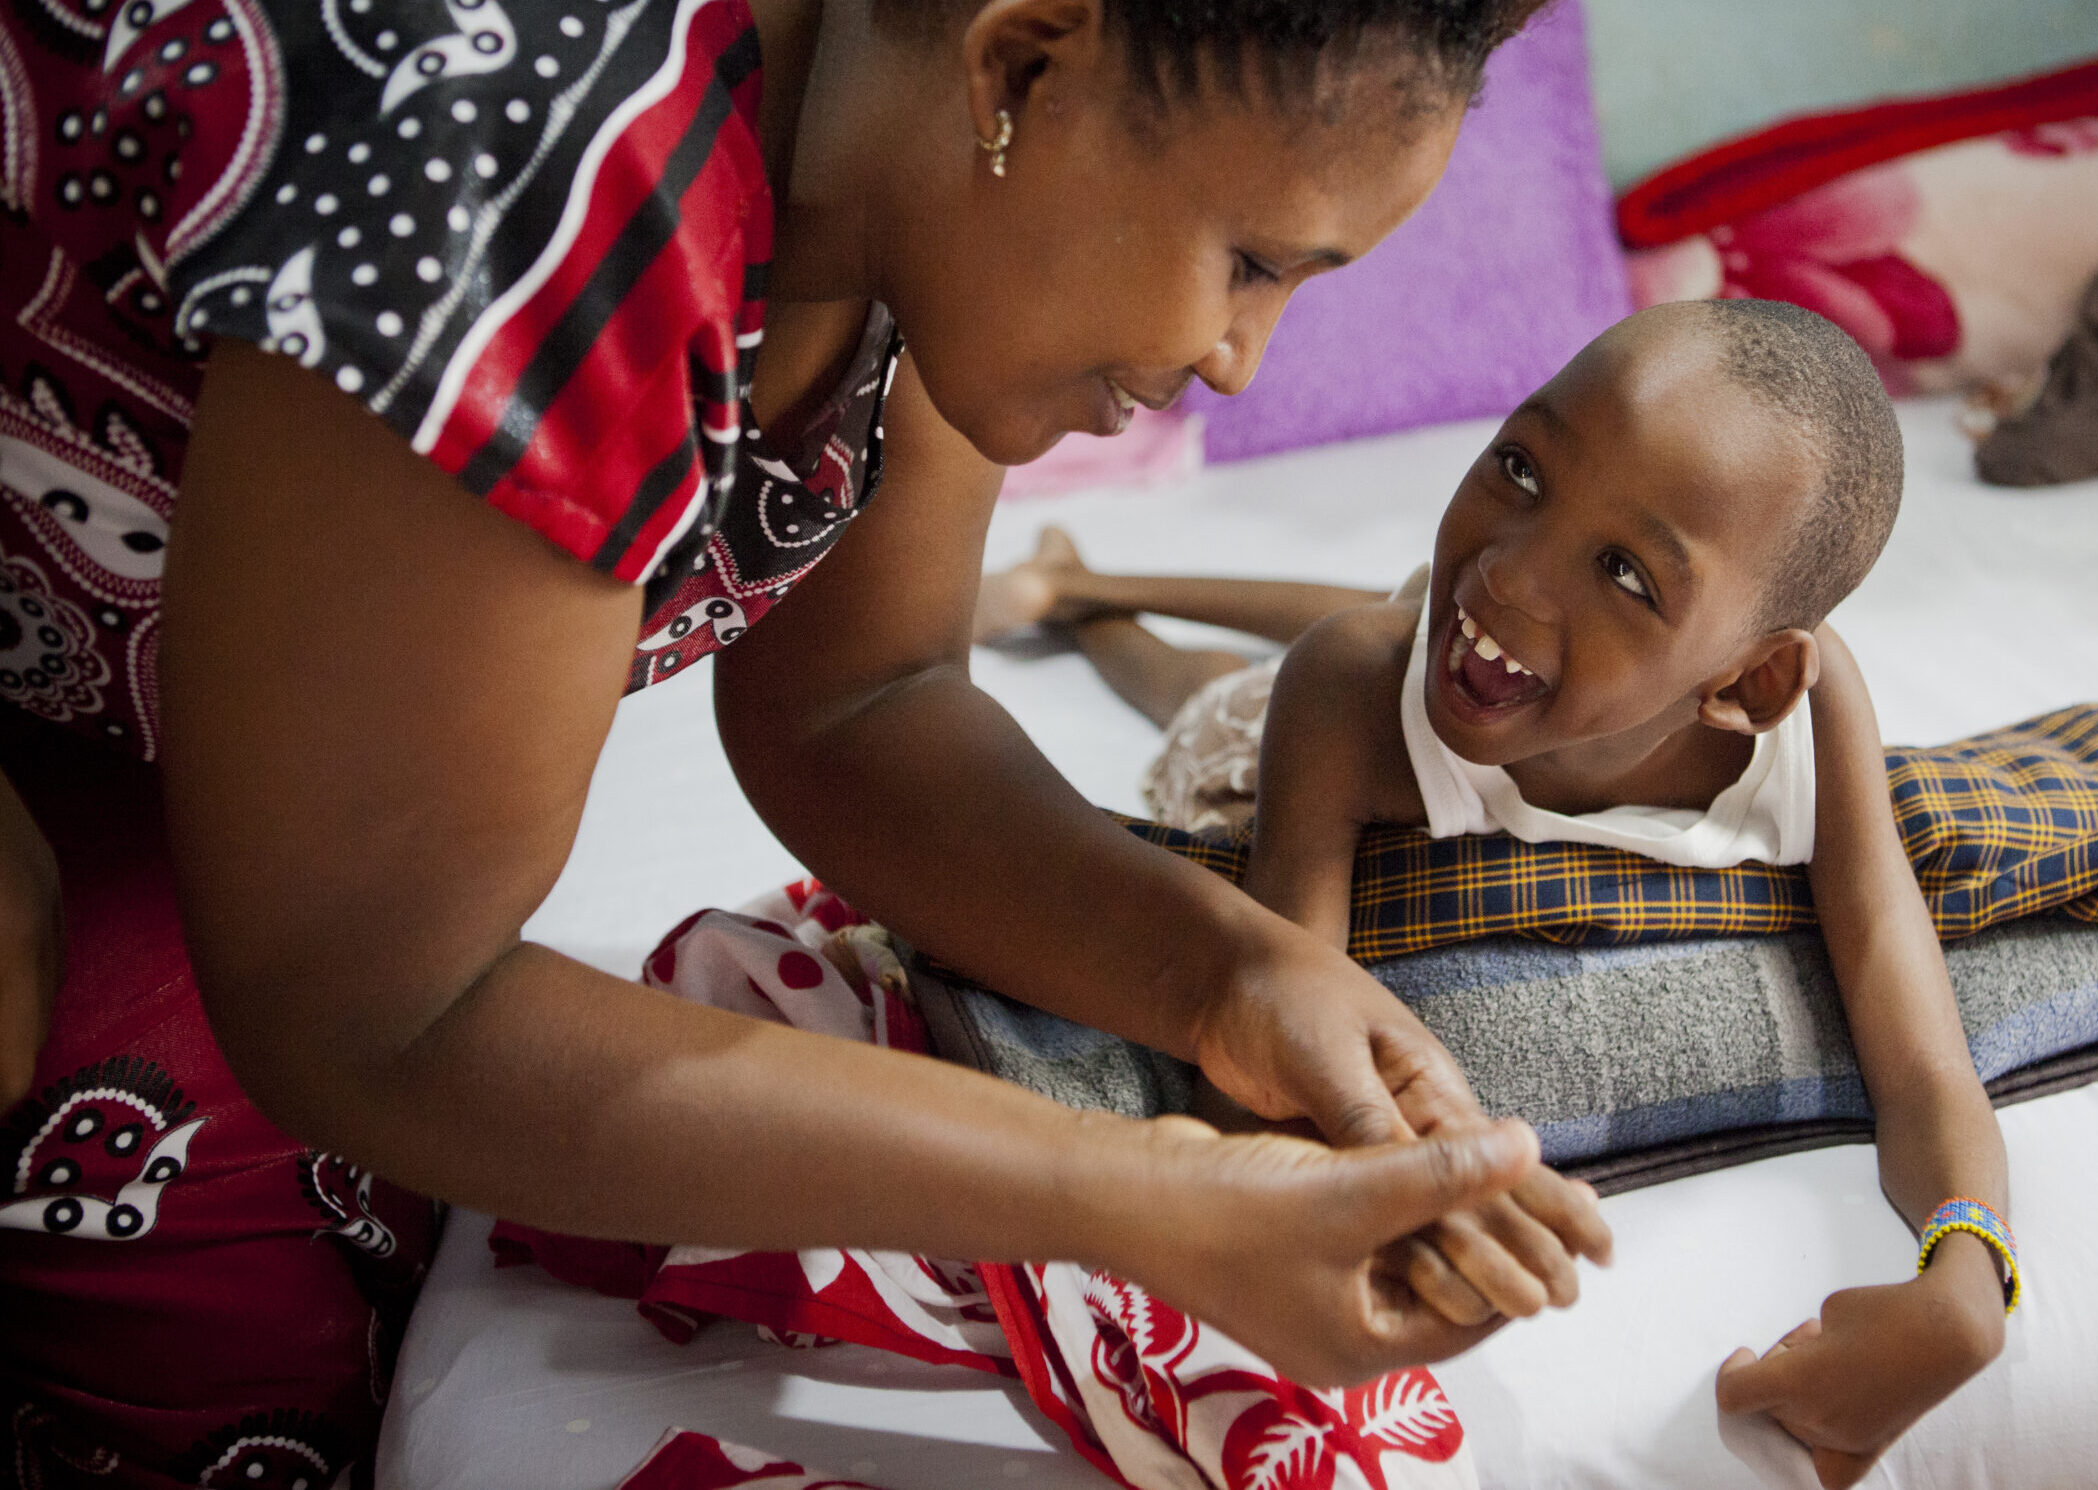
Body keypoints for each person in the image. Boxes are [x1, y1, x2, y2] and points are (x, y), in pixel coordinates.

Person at [0, 0, 1617, 1481]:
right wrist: (1140, 1204)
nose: (1236, 363)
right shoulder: (548, 159)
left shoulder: (908, 192)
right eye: (1253, 261)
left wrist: (1235, 975)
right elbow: (381, 1015)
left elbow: (858, 707)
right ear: (1022, 64)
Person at [980, 300, 2016, 1489]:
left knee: (1421, 609)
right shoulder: (1352, 691)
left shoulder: (1813, 716)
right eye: (1521, 466)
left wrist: (1966, 1281)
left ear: (1752, 679)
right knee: (1202, 683)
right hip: (1292, 729)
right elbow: (1262, 1064)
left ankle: (1077, 578)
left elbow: (1918, 1048)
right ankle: (1086, 596)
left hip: (1460, 658)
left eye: (1625, 572)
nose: (1513, 568)